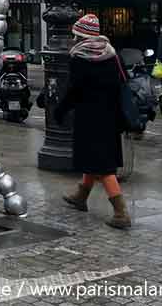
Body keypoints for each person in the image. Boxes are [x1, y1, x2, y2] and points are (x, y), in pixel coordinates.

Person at [55, 13, 131, 229]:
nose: (73, 40)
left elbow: (74, 90)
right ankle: (81, 195)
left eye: (75, 36)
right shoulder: (112, 54)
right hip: (111, 116)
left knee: (104, 166)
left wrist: (60, 110)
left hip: (90, 117)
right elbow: (123, 82)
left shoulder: (80, 58)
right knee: (95, 157)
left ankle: (121, 212)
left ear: (81, 37)